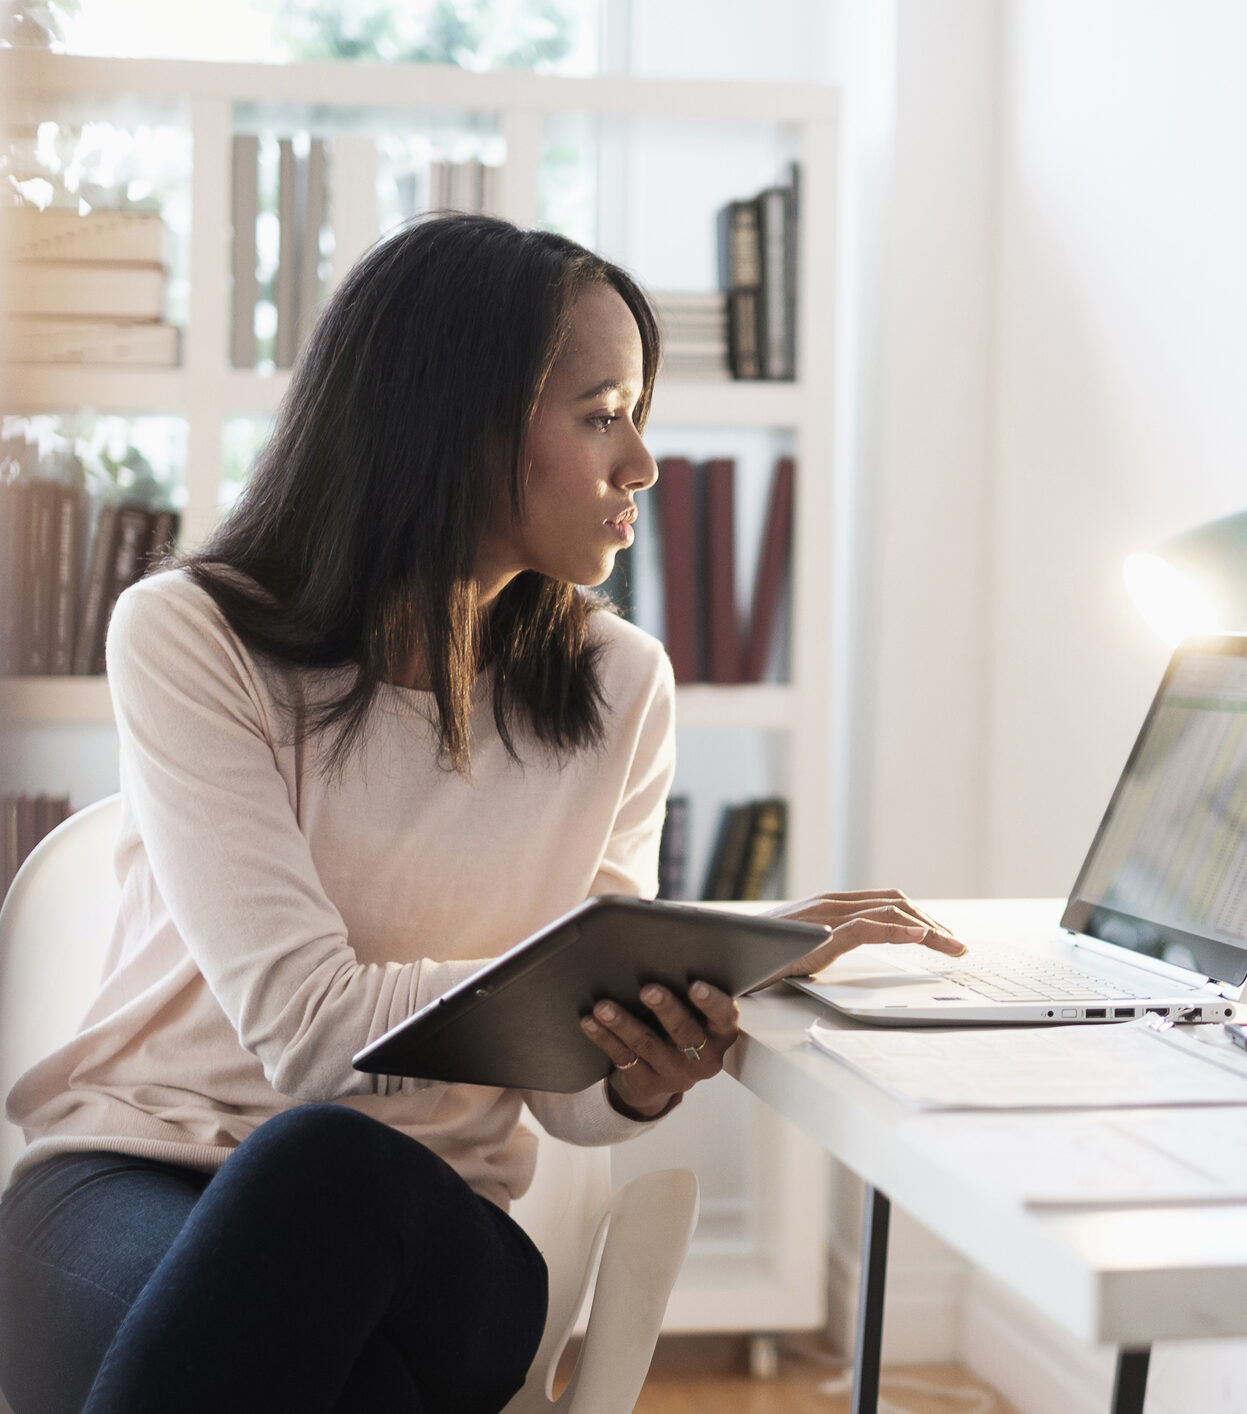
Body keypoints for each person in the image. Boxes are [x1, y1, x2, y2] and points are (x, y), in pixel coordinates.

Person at [0, 213, 965, 1414]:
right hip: (129, 1176)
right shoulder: (193, 634)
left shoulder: (620, 686)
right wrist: (581, 979)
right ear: (456, 418)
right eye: (601, 411)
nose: (643, 465)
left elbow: (565, 1097)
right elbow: (307, 1034)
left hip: (429, 1225)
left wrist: (642, 1059)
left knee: (330, 1179)